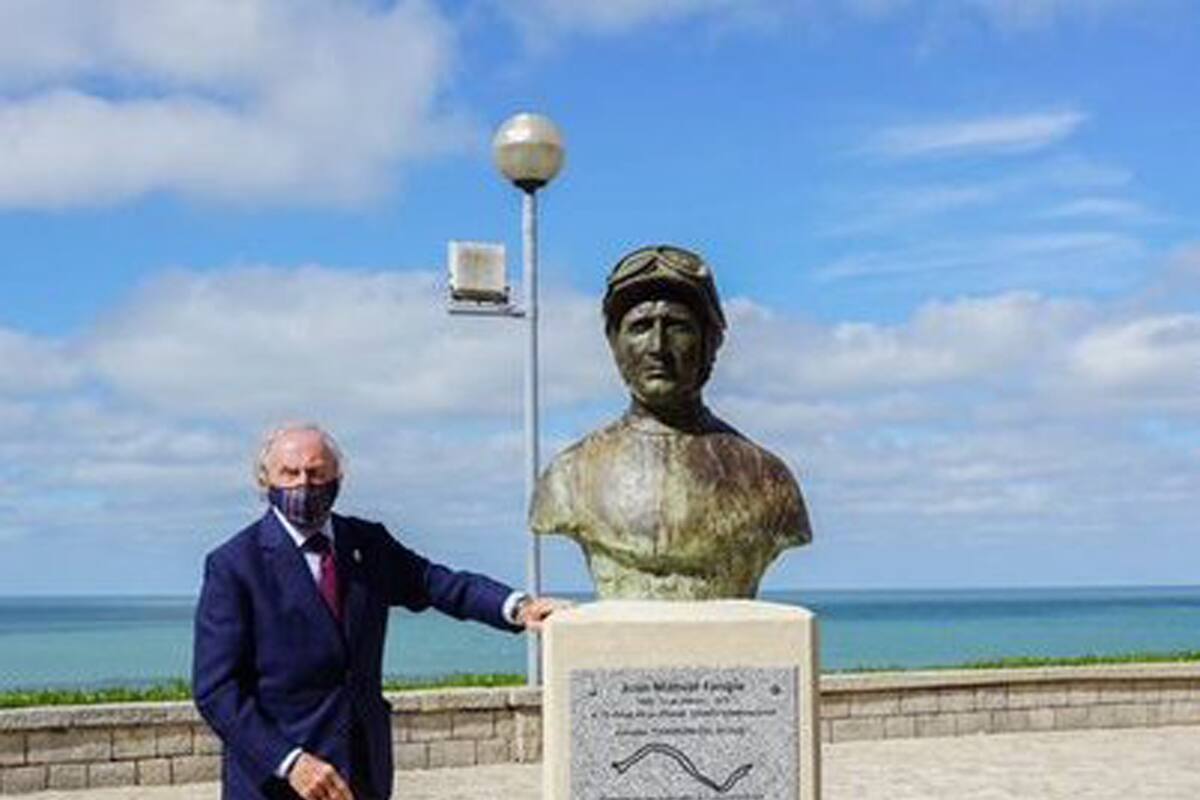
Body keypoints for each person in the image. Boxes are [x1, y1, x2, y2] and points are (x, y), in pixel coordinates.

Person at [193, 423, 555, 800]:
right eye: (290, 473)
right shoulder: (234, 565)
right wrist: (290, 762)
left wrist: (518, 608)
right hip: (277, 784)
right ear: (265, 479)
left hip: (363, 774)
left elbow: (437, 583)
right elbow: (216, 691)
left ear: (339, 477)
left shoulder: (368, 544)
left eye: (317, 473)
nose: (304, 483)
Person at [530, 245, 811, 599]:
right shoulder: (568, 475)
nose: (658, 346)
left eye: (677, 327)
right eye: (640, 327)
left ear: (712, 342)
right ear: (614, 343)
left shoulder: (768, 479)